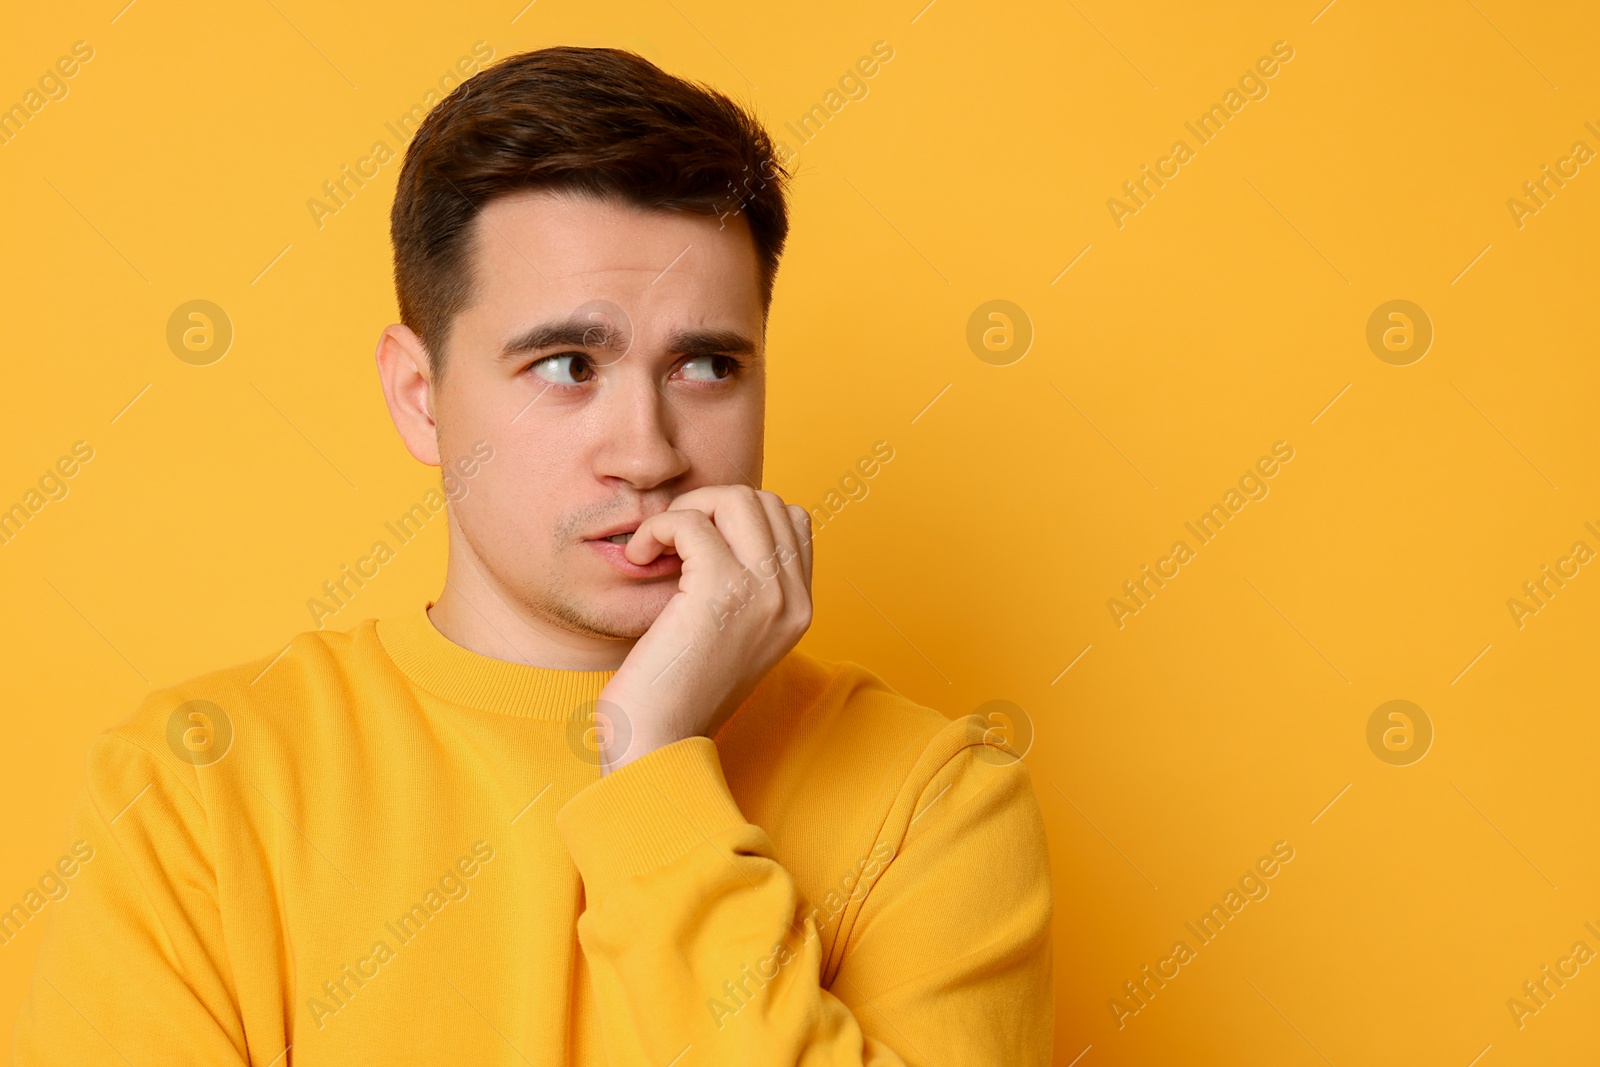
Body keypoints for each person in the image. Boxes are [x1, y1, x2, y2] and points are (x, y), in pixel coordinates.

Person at [12, 45, 1053, 1065]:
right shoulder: (201, 784)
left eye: (705, 364)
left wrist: (650, 765)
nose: (648, 453)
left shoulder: (934, 800)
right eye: (567, 364)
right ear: (421, 396)